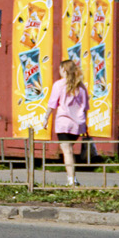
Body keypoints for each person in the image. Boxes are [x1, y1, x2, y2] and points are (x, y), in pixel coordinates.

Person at [43, 58, 89, 186]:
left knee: (67, 151)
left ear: (63, 70)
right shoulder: (81, 87)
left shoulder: (59, 84)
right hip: (77, 125)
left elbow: (52, 104)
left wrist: (46, 118)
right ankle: (73, 178)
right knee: (70, 150)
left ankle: (71, 179)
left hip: (63, 123)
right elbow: (85, 107)